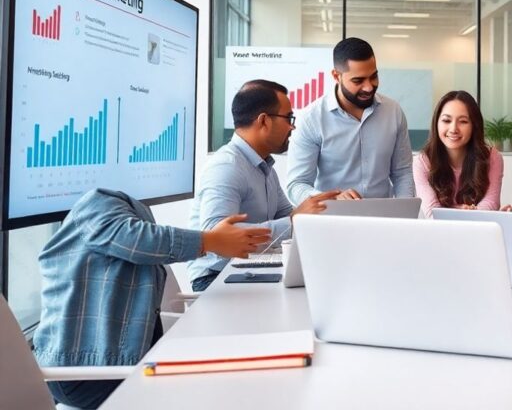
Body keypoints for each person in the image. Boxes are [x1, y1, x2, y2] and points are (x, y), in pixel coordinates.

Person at [34, 188, 270, 409]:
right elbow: (136, 239)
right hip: (88, 371)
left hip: (112, 364)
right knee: (222, 385)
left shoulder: (130, 209)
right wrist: (210, 241)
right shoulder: (97, 201)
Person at [188, 80, 339, 291]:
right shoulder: (227, 166)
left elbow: (289, 216)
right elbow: (216, 236)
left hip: (246, 270)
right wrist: (295, 221)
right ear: (264, 120)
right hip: (215, 279)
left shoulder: (264, 167)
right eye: (288, 118)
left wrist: (326, 210)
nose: (293, 126)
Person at [286, 37, 414, 203]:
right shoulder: (311, 119)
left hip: (382, 221)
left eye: (373, 76)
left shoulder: (393, 111)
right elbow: (297, 185)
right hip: (331, 220)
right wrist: (332, 198)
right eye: (358, 80)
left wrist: (404, 212)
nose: (369, 87)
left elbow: (402, 172)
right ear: (336, 76)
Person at [414, 91, 503, 218]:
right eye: (446, 120)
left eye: (463, 121)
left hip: (478, 231)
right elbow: (432, 212)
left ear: (474, 125)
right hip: (437, 233)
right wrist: (462, 212)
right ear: (436, 123)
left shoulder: (493, 157)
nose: (453, 129)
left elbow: (491, 203)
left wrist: (468, 214)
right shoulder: (422, 162)